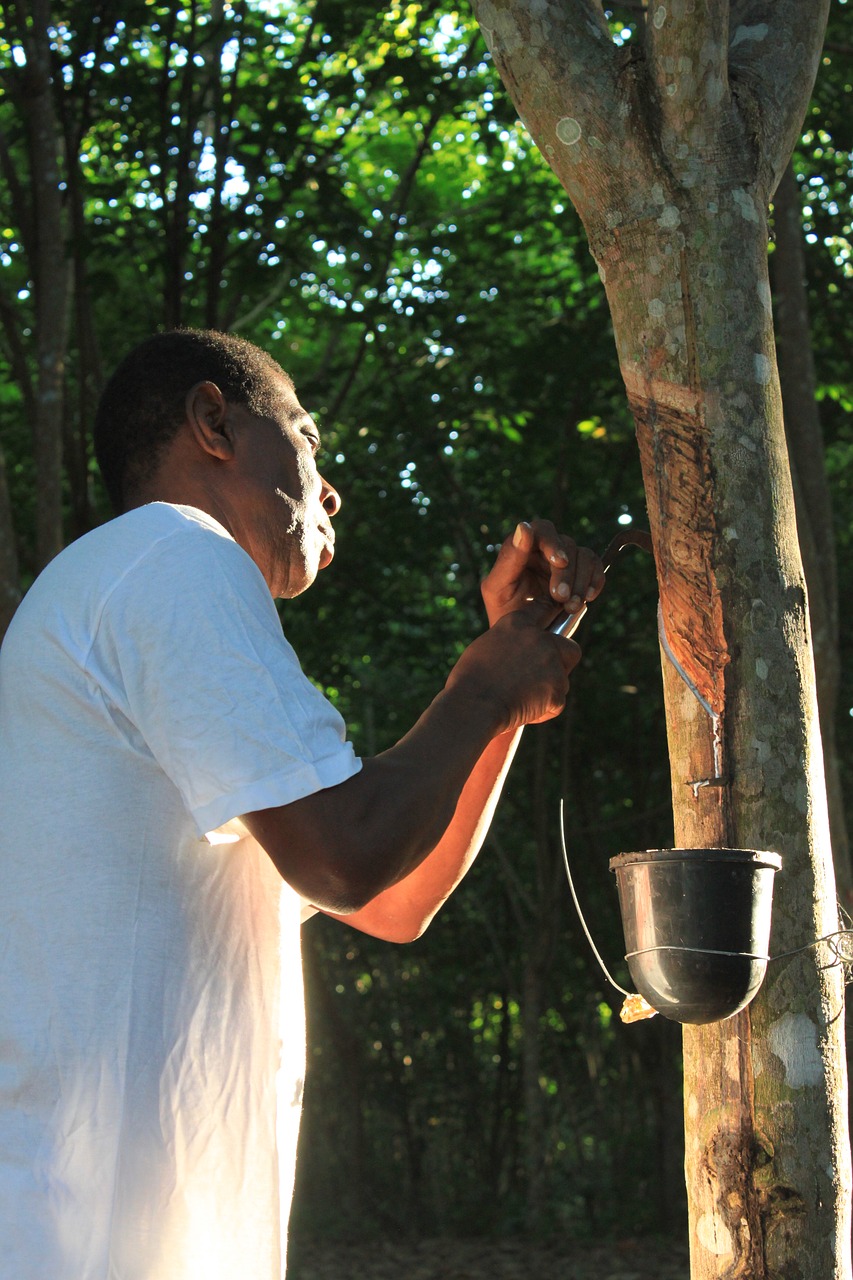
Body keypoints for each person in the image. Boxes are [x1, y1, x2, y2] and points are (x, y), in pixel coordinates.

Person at [0, 329, 603, 1280]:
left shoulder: (142, 594)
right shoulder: (171, 553)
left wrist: (505, 684)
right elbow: (342, 856)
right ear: (213, 423)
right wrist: (484, 690)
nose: (328, 488)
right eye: (307, 438)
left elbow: (391, 899)